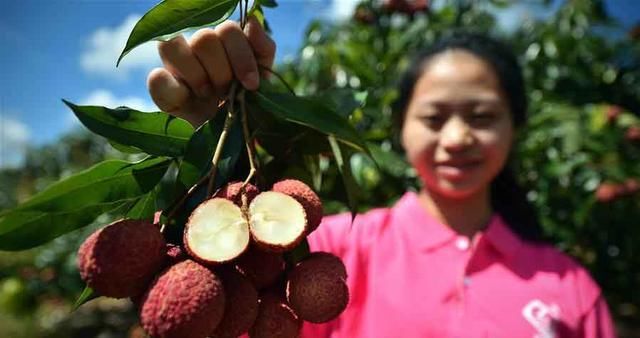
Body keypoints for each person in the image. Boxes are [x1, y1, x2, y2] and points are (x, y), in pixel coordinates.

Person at [147, 17, 616, 338]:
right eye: (434, 118)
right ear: (402, 130)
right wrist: (214, 144)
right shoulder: (325, 246)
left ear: (515, 127)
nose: (456, 138)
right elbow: (220, 309)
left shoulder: (571, 287)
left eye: (481, 116)